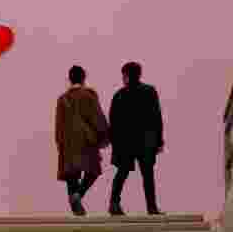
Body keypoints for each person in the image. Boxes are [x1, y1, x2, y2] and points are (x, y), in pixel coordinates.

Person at [108, 61, 165, 216]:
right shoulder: (149, 91)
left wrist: (115, 143)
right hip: (146, 141)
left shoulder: (119, 95)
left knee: (122, 172)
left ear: (126, 75)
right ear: (139, 74)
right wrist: (159, 141)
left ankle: (114, 203)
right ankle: (151, 207)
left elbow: (113, 122)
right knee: (147, 175)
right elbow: (156, 117)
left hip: (125, 142)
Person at [55, 65, 110, 216]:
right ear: (84, 78)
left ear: (69, 78)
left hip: (68, 143)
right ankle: (78, 196)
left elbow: (58, 124)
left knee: (71, 176)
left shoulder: (62, 99)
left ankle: (76, 208)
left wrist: (60, 143)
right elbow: (97, 117)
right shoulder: (89, 95)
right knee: (93, 171)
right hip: (86, 141)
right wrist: (104, 137)